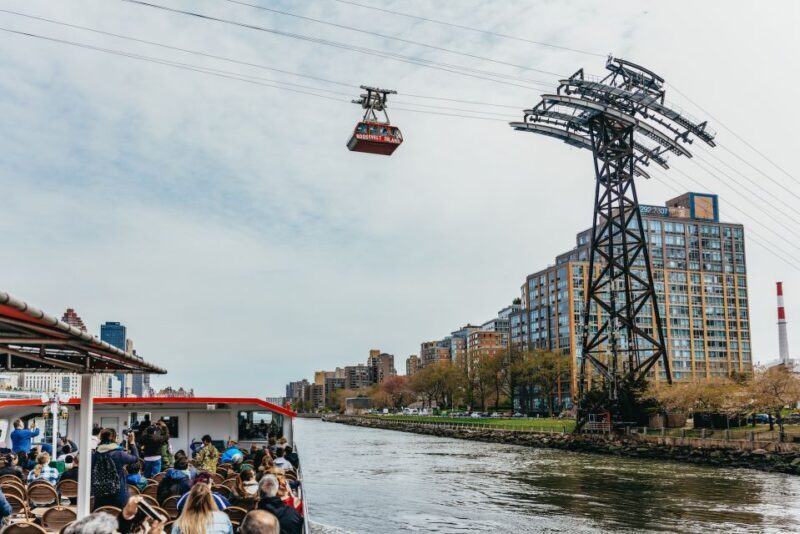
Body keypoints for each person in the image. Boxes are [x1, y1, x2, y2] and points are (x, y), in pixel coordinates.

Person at [92, 428, 140, 509]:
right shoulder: (119, 454)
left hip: (99, 493)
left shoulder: (95, 454)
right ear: (113, 438)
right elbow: (135, 458)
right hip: (118, 493)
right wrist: (132, 443)